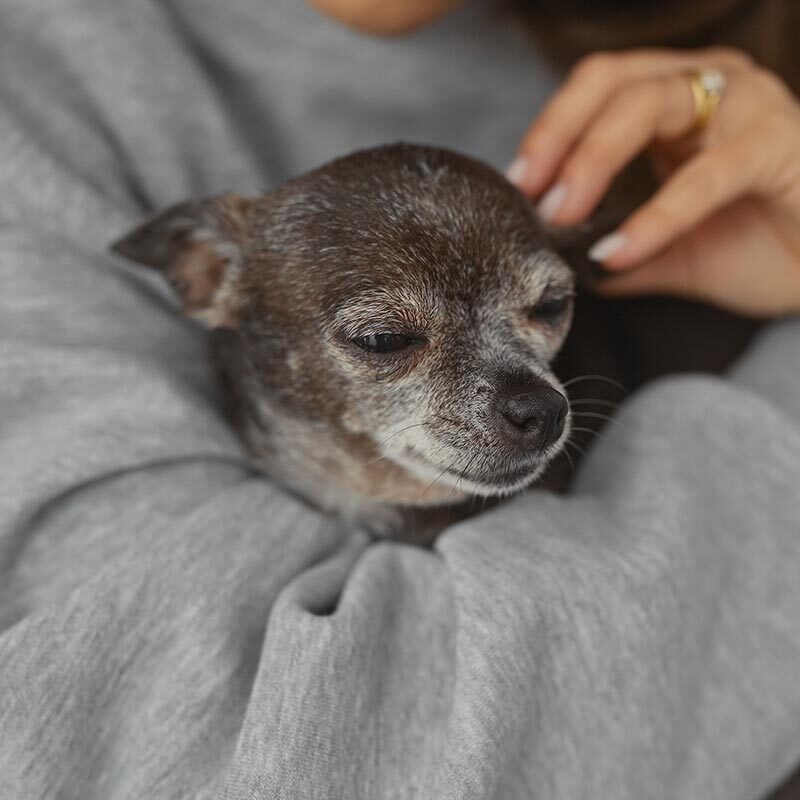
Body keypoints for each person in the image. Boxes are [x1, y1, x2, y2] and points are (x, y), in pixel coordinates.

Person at [0, 1, 798, 799]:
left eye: (544, 309)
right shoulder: (40, 80)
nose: (536, 402)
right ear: (207, 275)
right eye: (386, 340)